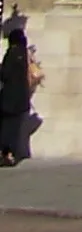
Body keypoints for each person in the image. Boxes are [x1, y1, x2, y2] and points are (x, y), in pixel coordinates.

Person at [0, 24, 31, 165]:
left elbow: (5, 74)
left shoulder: (11, 53)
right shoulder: (25, 54)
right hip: (22, 98)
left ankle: (5, 153)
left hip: (9, 99)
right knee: (15, 128)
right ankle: (12, 154)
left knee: (6, 127)